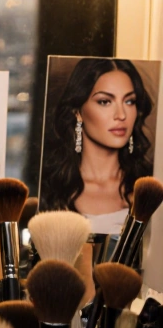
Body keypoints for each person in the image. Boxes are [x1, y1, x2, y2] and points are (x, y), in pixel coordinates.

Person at [40, 58, 154, 234]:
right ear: (77, 111)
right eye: (105, 101)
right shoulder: (52, 188)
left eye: (129, 101)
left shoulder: (149, 188)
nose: (121, 115)